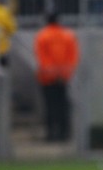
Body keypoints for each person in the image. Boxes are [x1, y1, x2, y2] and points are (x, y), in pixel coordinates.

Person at [34, 12, 79, 141]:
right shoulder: (68, 35)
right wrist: (64, 72)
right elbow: (73, 56)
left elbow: (41, 57)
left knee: (50, 106)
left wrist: (51, 71)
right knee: (63, 105)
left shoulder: (42, 35)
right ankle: (64, 132)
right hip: (63, 77)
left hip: (47, 78)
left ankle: (51, 133)